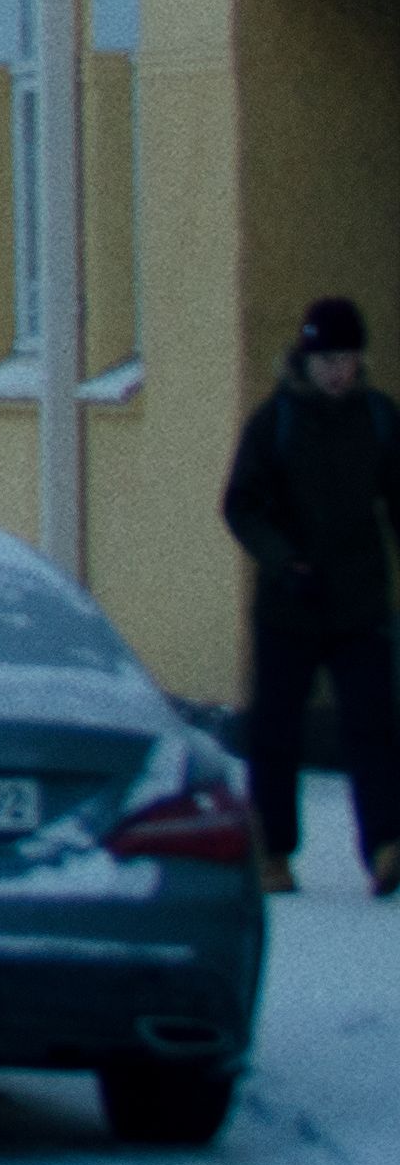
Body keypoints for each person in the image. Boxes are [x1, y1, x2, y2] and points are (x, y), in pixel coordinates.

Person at [221, 293, 400, 896]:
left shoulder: (379, 420)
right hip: (288, 606)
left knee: (373, 729)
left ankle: (385, 846)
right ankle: (273, 852)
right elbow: (240, 505)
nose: (336, 370)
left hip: (360, 605)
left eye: (346, 358)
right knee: (276, 733)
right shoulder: (275, 423)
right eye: (325, 358)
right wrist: (282, 559)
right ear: (304, 359)